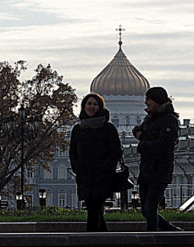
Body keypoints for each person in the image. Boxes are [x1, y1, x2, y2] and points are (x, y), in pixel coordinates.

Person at [69, 93, 122, 232]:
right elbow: (73, 151)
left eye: (95, 104)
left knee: (94, 205)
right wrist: (77, 168)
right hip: (84, 176)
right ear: (83, 106)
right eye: (89, 103)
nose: (91, 107)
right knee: (94, 207)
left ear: (100, 107)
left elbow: (116, 151)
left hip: (102, 176)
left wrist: (105, 167)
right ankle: (104, 239)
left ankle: (89, 238)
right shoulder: (78, 129)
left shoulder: (108, 128)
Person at [132, 86, 182, 231]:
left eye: (148, 99)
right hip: (146, 169)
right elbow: (137, 129)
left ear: (157, 101)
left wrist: (143, 145)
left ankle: (152, 237)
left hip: (160, 170)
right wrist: (140, 135)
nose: (146, 102)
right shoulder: (150, 118)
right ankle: (172, 231)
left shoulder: (169, 120)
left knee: (150, 208)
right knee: (145, 210)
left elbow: (165, 144)